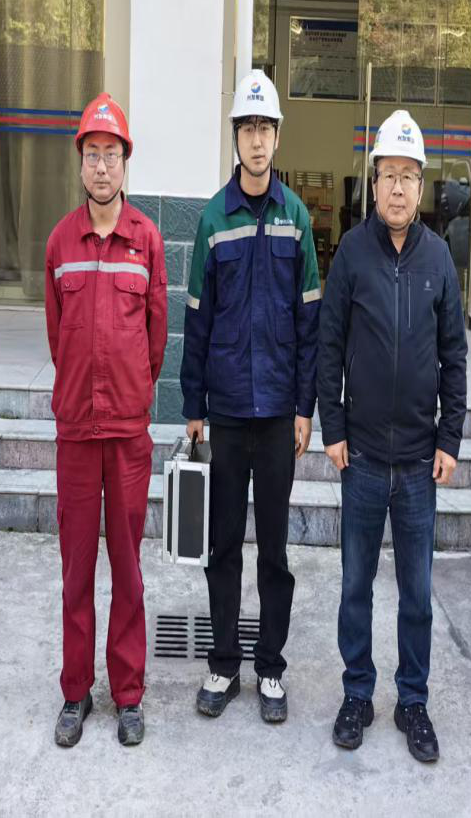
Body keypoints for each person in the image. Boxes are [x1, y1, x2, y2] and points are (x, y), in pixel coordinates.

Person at [318, 109, 467, 760]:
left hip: (417, 461)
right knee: (355, 587)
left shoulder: (440, 259)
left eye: (409, 175)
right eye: (389, 175)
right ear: (373, 182)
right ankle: (357, 693)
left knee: (417, 595)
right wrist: (332, 426)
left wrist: (450, 438)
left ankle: (413, 701)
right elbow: (329, 344)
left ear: (421, 185)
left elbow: (455, 355)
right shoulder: (353, 253)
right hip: (362, 459)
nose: (399, 187)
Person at [180, 71, 321, 725]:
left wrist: (304, 408)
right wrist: (194, 407)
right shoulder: (215, 218)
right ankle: (223, 664)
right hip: (230, 414)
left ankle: (270, 667)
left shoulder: (297, 220)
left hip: (278, 418)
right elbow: (197, 321)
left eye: (265, 128)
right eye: (248, 129)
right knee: (223, 546)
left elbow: (309, 322)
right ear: (235, 138)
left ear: (277, 137)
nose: (257, 140)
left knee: (274, 552)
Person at [44, 92, 167, 748]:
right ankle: (75, 691)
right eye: (91, 154)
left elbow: (155, 338)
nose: (100, 166)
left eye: (110, 154)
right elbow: (56, 334)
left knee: (126, 567)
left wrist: (129, 392)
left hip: (126, 434)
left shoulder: (146, 240)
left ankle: (128, 694)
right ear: (80, 163)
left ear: (125, 163)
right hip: (75, 431)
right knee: (76, 571)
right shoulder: (60, 242)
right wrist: (81, 389)